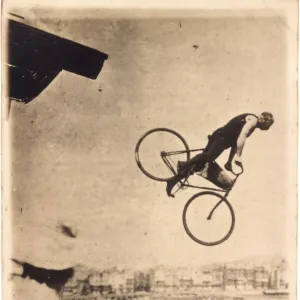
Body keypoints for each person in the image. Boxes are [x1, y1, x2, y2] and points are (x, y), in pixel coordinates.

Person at [166, 112, 274, 197]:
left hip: (221, 138)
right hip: (220, 138)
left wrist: (229, 161)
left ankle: (173, 180)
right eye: (266, 124)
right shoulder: (253, 120)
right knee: (208, 157)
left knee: (200, 164)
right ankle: (183, 164)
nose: (264, 127)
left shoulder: (253, 126)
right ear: (263, 118)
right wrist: (239, 156)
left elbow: (235, 144)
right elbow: (243, 135)